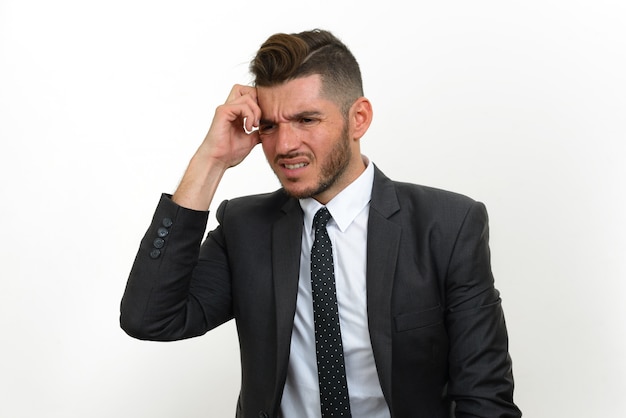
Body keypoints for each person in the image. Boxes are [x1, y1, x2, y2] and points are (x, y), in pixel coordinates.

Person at [120, 29, 521, 418]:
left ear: (358, 119)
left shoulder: (447, 226)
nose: (285, 145)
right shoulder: (246, 227)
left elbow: (485, 399)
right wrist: (211, 160)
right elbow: (151, 318)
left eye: (306, 119)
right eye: (270, 126)